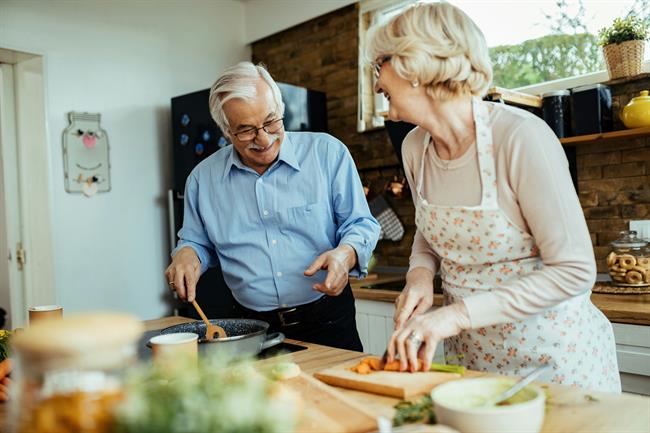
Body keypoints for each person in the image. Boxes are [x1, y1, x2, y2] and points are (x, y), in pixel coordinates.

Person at [367, 2, 620, 392]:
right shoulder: (415, 147)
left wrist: (455, 316)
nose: (375, 80)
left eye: (378, 64)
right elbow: (429, 232)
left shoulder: (520, 138)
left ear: (413, 65)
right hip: (474, 363)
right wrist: (419, 276)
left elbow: (574, 270)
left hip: (556, 363)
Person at [165, 62, 380, 351]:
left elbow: (361, 224)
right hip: (250, 327)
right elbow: (195, 242)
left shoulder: (328, 153)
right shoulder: (202, 181)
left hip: (328, 319)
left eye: (271, 122)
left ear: (281, 110)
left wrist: (346, 253)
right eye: (246, 131)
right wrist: (187, 255)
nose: (264, 139)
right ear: (226, 130)